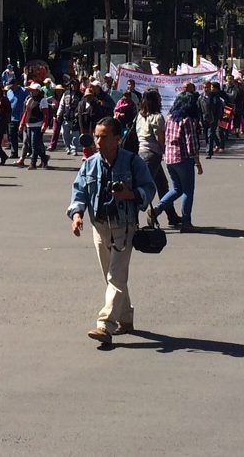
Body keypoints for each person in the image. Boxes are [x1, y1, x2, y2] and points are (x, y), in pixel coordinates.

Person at [66, 117, 156, 345]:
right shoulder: (89, 163)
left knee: (115, 276)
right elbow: (79, 191)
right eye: (96, 136)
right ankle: (125, 319)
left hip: (124, 226)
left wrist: (131, 194)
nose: (98, 141)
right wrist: (77, 215)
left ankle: (104, 325)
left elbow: (149, 188)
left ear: (117, 139)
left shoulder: (133, 162)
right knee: (112, 276)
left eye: (104, 137)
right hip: (99, 226)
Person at [156, 93, 204, 232]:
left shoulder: (170, 118)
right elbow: (191, 144)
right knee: (188, 191)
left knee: (177, 189)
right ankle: (186, 222)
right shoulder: (187, 120)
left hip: (169, 158)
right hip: (183, 158)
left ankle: (157, 209)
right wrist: (197, 163)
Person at [134, 89, 178, 227]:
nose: (160, 100)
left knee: (162, 185)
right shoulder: (157, 117)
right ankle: (134, 219)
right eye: (158, 98)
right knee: (146, 189)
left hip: (142, 153)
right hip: (153, 155)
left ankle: (172, 216)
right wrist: (168, 150)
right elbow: (160, 139)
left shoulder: (140, 116)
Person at [17, 83, 49, 169]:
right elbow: (26, 113)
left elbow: (46, 115)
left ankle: (33, 163)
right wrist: (22, 123)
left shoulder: (42, 100)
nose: (31, 92)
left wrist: (44, 125)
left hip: (37, 125)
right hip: (28, 125)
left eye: (33, 90)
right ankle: (44, 159)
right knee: (31, 145)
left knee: (34, 144)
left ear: (38, 91)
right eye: (30, 90)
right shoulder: (29, 99)